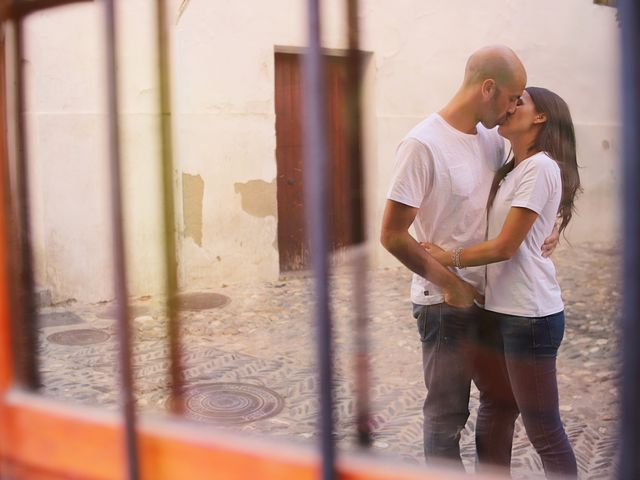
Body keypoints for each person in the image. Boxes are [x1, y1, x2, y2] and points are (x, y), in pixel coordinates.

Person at [380, 45, 559, 468]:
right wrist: (452, 284)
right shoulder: (422, 145)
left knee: (500, 404)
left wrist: (552, 225)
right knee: (446, 419)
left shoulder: (491, 141)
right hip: (445, 304)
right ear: (488, 88)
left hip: (493, 301)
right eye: (514, 97)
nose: (516, 106)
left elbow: (525, 195)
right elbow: (390, 235)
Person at [423, 86, 580, 478]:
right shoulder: (513, 165)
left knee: (543, 428)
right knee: (496, 406)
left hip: (530, 316)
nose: (510, 107)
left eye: (520, 102)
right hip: (496, 311)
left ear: (540, 117)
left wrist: (446, 257)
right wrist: (555, 221)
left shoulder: (541, 166)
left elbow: (506, 246)